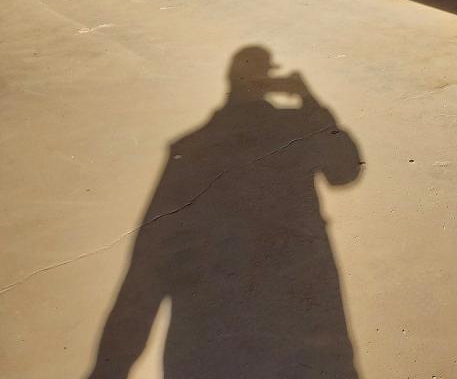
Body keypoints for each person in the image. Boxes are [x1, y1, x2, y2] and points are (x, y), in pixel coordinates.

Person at [87, 46, 362, 379]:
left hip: (209, 340)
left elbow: (148, 260)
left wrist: (111, 367)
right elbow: (345, 170)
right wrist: (309, 98)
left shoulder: (189, 150)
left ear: (230, 83)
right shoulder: (295, 129)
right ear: (266, 81)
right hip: (298, 331)